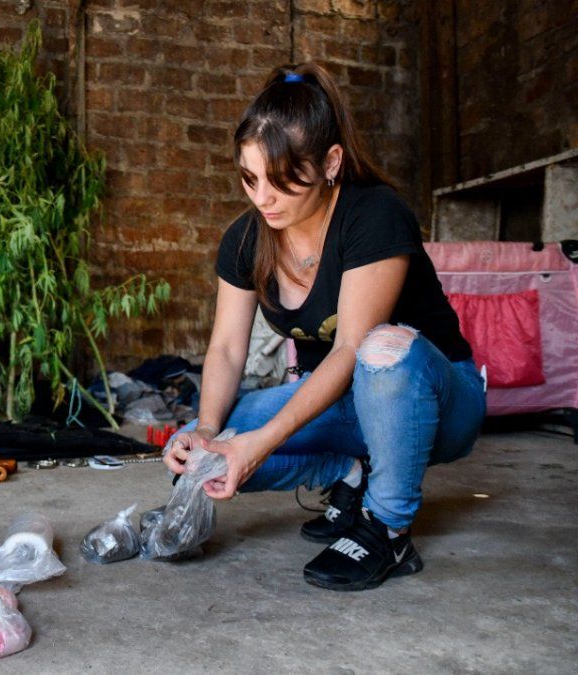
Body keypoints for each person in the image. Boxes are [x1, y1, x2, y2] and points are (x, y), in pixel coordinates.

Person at [162, 63, 485, 592]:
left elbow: (350, 350)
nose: (262, 197)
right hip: (343, 406)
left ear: (331, 162)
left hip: (437, 401)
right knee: (192, 453)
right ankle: (348, 472)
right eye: (249, 178)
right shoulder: (246, 239)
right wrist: (205, 431)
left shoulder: (374, 215)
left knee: (382, 350)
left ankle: (387, 525)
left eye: (282, 179)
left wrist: (259, 444)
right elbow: (223, 349)